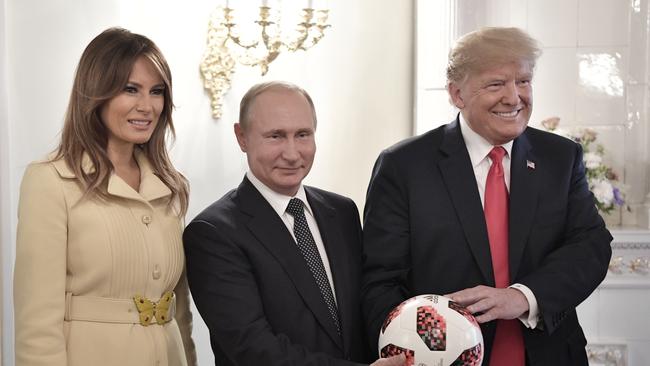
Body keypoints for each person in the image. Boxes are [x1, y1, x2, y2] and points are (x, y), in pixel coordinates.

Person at [361, 27, 612, 366]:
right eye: (496, 84)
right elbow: (380, 280)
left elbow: (591, 246)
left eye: (523, 81)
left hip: (550, 354)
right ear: (457, 94)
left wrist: (523, 297)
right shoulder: (404, 166)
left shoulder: (561, 157)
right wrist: (417, 349)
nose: (514, 97)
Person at [184, 81, 404, 366]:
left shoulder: (342, 212)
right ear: (242, 137)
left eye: (302, 134)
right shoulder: (213, 233)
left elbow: (362, 312)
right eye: (275, 136)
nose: (291, 153)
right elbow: (251, 348)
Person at [14, 27, 196, 366]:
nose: (147, 106)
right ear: (96, 93)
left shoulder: (170, 186)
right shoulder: (51, 181)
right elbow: (36, 325)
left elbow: (179, 310)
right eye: (130, 89)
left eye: (156, 92)